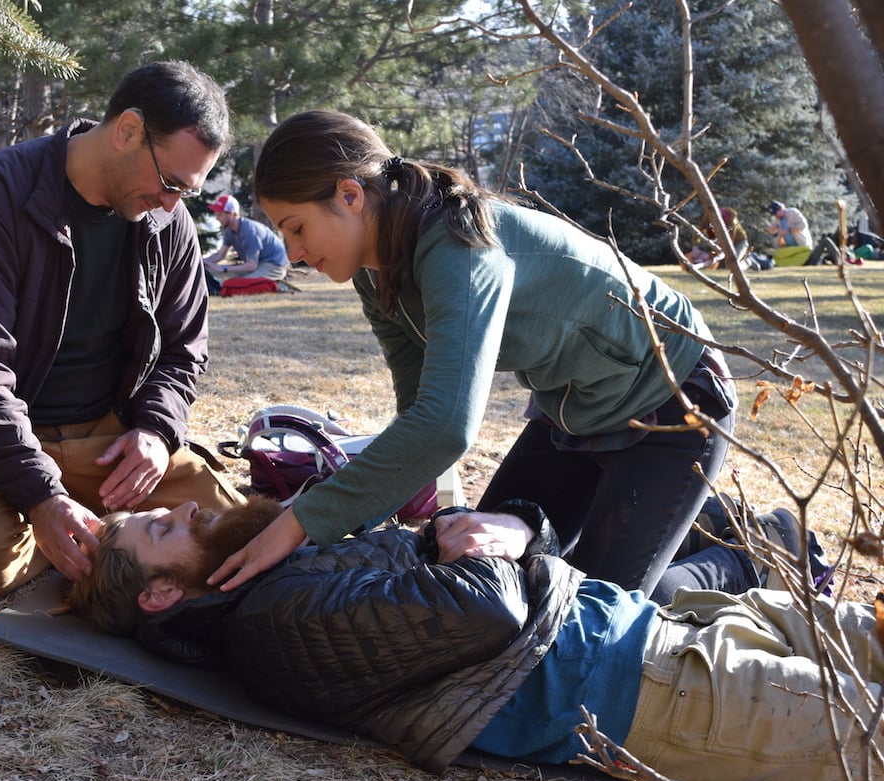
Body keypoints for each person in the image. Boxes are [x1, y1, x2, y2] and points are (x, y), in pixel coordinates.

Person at [216, 109, 738, 605]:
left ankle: (736, 553)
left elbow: (446, 425)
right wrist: (335, 520)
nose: (294, 252)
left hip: (673, 400)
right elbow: (419, 412)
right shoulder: (374, 275)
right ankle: (668, 529)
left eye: (297, 228)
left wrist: (304, 521)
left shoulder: (459, 246)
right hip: (572, 413)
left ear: (350, 195)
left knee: (591, 611)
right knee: (487, 580)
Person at [68, 498, 864, 781]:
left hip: (665, 630)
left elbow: (458, 564)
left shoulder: (276, 569)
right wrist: (489, 540)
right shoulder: (271, 623)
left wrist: (509, 525)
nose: (188, 510)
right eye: (163, 529)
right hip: (649, 692)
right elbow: (485, 609)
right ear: (161, 595)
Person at [0, 61, 246, 600]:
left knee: (233, 532)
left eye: (187, 192)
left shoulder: (170, 222)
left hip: (107, 439)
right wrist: (41, 496)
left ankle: (99, 532)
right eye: (170, 183)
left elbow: (184, 350)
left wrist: (156, 432)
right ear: (128, 130)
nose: (172, 203)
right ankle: (105, 536)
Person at [203, 194, 290, 282]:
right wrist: (202, 262)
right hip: (257, 265)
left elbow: (252, 265)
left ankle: (278, 285)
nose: (217, 218)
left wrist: (224, 268)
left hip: (274, 265)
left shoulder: (249, 231)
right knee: (219, 278)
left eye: (219, 214)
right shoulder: (229, 230)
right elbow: (220, 255)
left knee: (240, 284)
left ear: (231, 214)